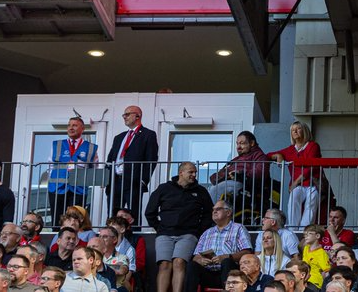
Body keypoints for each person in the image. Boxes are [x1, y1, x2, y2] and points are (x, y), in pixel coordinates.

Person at [145, 161, 213, 292]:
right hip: (165, 233)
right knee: (164, 264)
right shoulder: (164, 188)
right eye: (191, 172)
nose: (194, 175)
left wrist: (198, 231)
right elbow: (150, 211)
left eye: (195, 172)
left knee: (179, 262)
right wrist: (159, 228)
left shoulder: (201, 191)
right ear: (181, 173)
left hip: (188, 234)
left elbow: (208, 213)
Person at [105, 105, 158, 220]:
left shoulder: (148, 134)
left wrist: (143, 180)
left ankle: (134, 232)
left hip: (134, 181)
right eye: (124, 115)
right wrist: (106, 179)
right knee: (113, 214)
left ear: (137, 116)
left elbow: (151, 158)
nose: (124, 117)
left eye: (127, 114)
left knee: (133, 215)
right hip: (115, 181)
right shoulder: (119, 137)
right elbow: (110, 159)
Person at [186, 201, 253, 291]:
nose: (214, 211)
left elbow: (247, 252)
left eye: (218, 209)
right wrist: (200, 260)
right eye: (213, 210)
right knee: (192, 265)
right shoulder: (207, 232)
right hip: (209, 272)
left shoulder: (239, 228)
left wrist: (228, 257)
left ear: (228, 212)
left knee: (227, 262)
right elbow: (195, 257)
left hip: (230, 273)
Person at [46, 116, 98, 227]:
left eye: (74, 125)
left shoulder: (90, 147)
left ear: (82, 128)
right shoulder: (57, 145)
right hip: (57, 187)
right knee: (57, 220)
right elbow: (50, 165)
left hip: (78, 188)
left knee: (76, 221)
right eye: (69, 125)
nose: (71, 128)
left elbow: (94, 168)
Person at [206, 130, 271, 206]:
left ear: (252, 143)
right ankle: (218, 211)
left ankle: (214, 212)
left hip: (246, 186)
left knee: (215, 190)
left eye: (242, 143)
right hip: (232, 183)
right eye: (237, 144)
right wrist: (227, 174)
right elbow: (215, 178)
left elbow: (259, 173)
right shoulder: (236, 159)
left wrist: (240, 173)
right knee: (210, 188)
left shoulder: (260, 156)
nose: (238, 147)